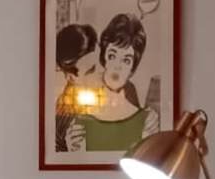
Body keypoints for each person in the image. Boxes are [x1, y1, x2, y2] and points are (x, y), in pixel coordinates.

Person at [66, 13, 160, 153]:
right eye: (112, 55)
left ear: (132, 69)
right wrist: (73, 152)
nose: (117, 66)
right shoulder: (82, 120)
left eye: (126, 60)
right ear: (104, 57)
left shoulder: (147, 121)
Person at [53, 23, 98, 152]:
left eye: (96, 67)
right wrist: (70, 151)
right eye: (91, 71)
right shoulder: (63, 114)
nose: (101, 73)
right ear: (70, 78)